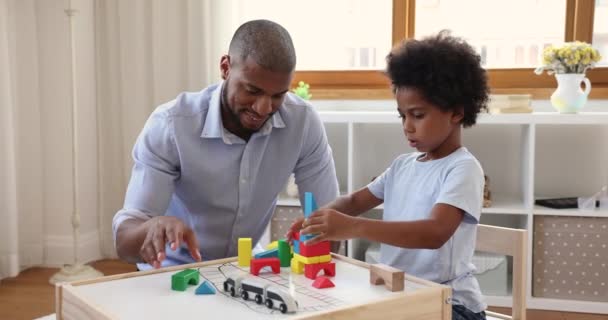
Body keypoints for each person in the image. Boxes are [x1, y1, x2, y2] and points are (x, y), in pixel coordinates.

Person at [287, 31, 489, 320]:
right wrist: (317, 220)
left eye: (418, 115)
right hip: (399, 296)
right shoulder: (402, 166)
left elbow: (434, 233)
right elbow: (354, 201)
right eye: (402, 115)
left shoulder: (462, 169)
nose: (407, 126)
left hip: (449, 304)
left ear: (456, 112)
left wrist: (353, 227)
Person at [113, 19, 339, 271]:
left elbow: (331, 220)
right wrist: (149, 228)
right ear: (225, 68)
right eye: (252, 90)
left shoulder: (303, 123)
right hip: (171, 270)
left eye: (278, 95)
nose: (264, 108)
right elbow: (124, 242)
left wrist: (314, 252)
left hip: (243, 267)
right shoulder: (171, 126)